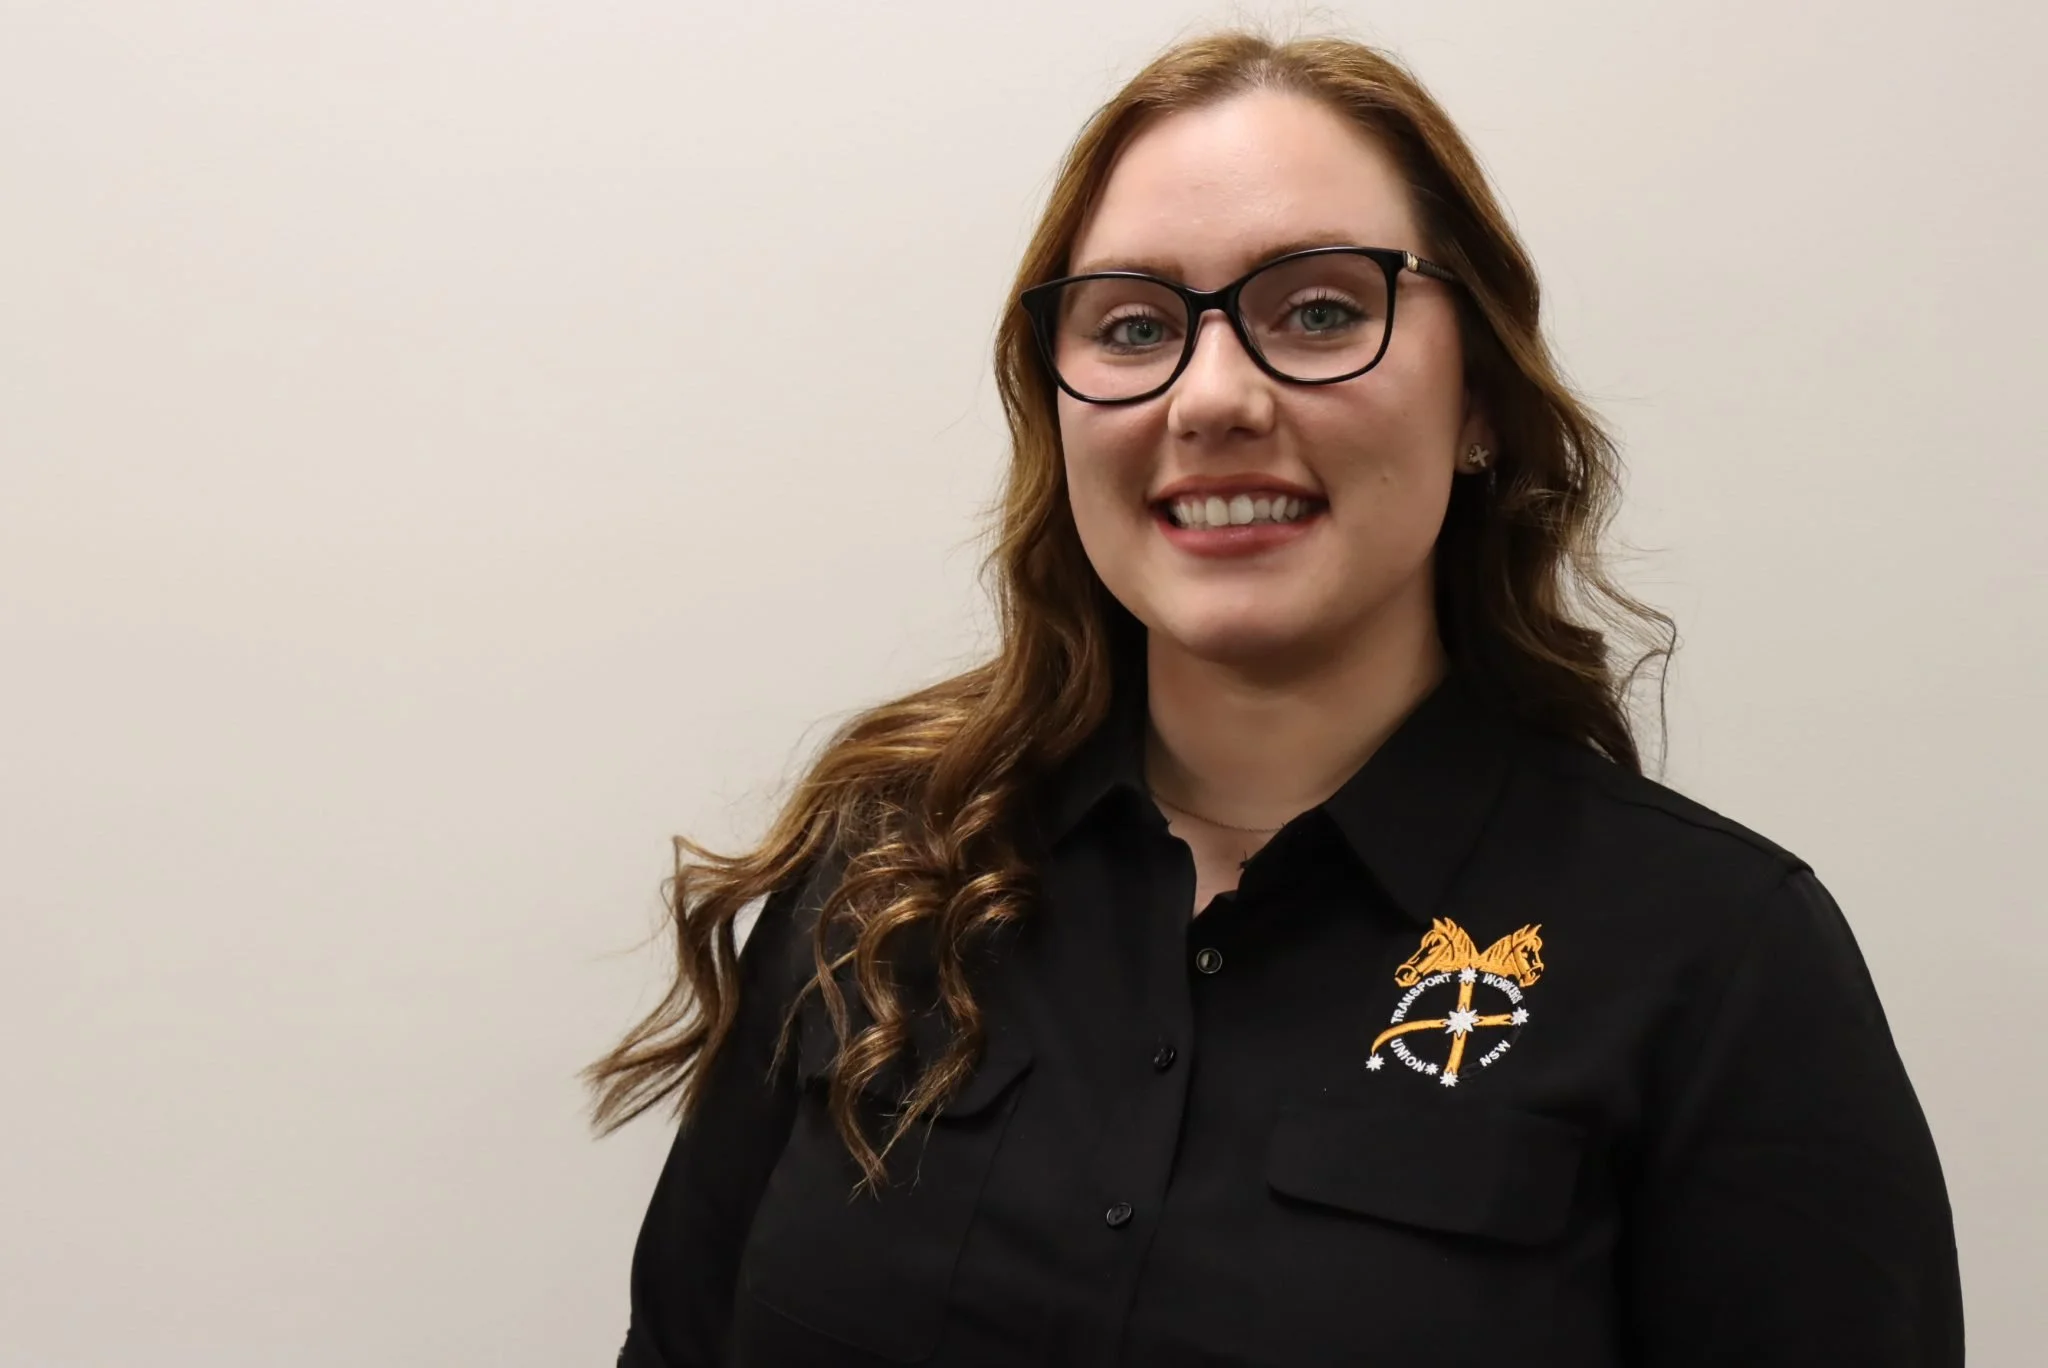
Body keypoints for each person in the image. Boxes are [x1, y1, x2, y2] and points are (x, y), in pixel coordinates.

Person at [586, 28, 1962, 1368]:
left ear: (1481, 401)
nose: (1211, 399)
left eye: (1319, 311)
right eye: (1134, 327)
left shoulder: (1719, 961)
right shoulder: (889, 872)